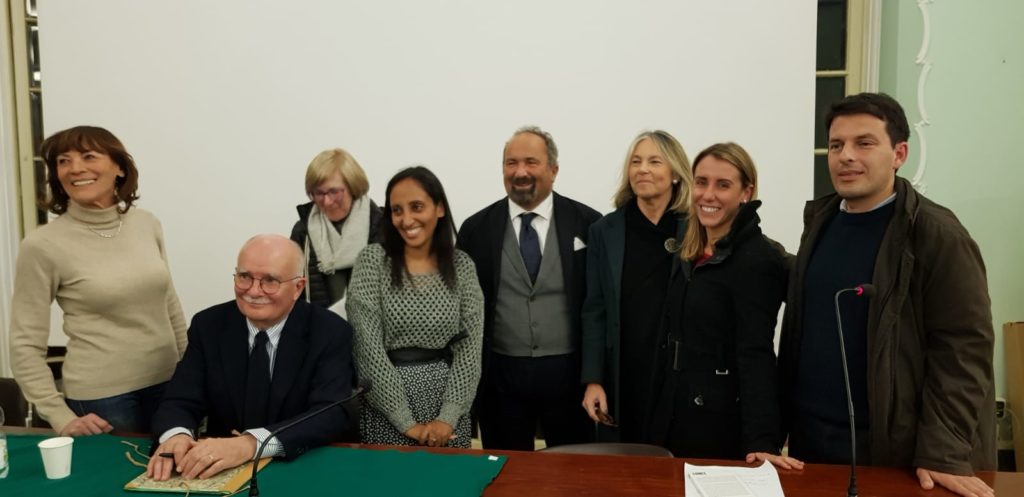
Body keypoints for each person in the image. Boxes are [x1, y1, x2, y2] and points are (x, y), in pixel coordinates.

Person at [779, 92, 994, 497]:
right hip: (811, 447)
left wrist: (943, 452)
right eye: (836, 145)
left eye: (864, 143)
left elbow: (964, 350)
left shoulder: (937, 235)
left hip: (896, 454)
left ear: (899, 154)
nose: (846, 156)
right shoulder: (821, 223)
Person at [9, 125, 186, 436]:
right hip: (103, 400)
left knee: (176, 467)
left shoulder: (146, 224)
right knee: (114, 470)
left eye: (88, 156)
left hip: (169, 384)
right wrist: (58, 415)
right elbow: (24, 342)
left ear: (120, 168)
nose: (75, 168)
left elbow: (169, 303)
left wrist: (189, 373)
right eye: (63, 161)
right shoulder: (42, 245)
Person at [147, 234, 354, 481]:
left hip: (302, 467)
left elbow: (331, 413)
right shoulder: (208, 325)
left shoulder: (329, 331)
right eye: (244, 277)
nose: (254, 291)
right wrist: (176, 435)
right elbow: (179, 399)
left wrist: (250, 444)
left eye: (270, 281)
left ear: (298, 287)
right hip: (221, 470)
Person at [649, 143, 801, 469]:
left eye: (723, 185)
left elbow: (756, 353)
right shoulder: (690, 250)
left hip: (718, 424)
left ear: (746, 192)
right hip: (674, 413)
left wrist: (762, 440)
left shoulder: (757, 260)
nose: (708, 195)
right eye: (701, 182)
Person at [458, 126, 601, 450]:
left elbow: (599, 305)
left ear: (554, 170)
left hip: (570, 375)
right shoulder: (475, 229)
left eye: (531, 162)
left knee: (573, 466)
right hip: (500, 378)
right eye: (511, 163)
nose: (520, 172)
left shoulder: (589, 224)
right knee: (507, 468)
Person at [347, 166, 483, 448]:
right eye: (397, 210)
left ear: (439, 208)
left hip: (449, 409)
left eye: (417, 207)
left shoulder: (462, 266)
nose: (406, 219)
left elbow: (470, 350)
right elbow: (367, 348)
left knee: (452, 478)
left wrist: (448, 417)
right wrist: (405, 421)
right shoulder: (372, 261)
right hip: (385, 408)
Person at [580, 130, 692, 443]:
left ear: (675, 173)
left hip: (676, 372)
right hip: (623, 370)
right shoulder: (605, 230)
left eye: (654, 162)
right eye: (636, 162)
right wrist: (593, 379)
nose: (642, 169)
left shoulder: (695, 227)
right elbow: (594, 309)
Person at [290, 148, 383, 317]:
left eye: (334, 192)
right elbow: (293, 290)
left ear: (353, 187)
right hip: (321, 327)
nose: (326, 201)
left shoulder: (383, 226)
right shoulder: (302, 232)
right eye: (318, 193)